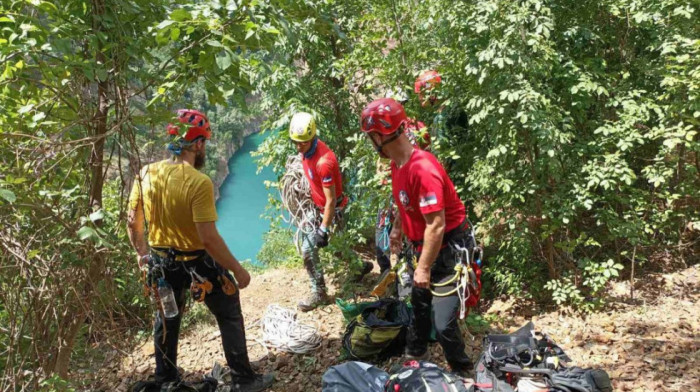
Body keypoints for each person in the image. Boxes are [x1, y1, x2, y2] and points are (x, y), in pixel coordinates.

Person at [126, 109, 274, 392]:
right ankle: (244, 379)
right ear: (198, 144)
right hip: (197, 264)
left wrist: (141, 253)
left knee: (167, 318)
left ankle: (166, 378)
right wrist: (238, 270)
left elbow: (133, 222)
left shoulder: (146, 174)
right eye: (204, 141)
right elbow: (208, 239)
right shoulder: (198, 182)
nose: (204, 147)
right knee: (228, 311)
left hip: (160, 262)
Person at [360, 98, 474, 375]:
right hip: (423, 246)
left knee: (443, 321)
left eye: (371, 137)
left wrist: (423, 267)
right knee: (420, 306)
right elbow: (404, 200)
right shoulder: (398, 163)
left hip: (447, 249)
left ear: (379, 135)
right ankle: (415, 354)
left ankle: (462, 370)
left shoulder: (422, 169)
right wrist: (398, 227)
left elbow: (436, 224)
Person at [288, 112, 373, 311]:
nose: (299, 147)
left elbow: (331, 200)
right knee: (313, 250)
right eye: (296, 143)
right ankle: (350, 272)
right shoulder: (307, 151)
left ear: (312, 138)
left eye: (303, 143)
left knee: (329, 248)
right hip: (318, 207)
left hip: (330, 210)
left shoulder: (324, 162)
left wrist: (323, 229)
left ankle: (322, 292)